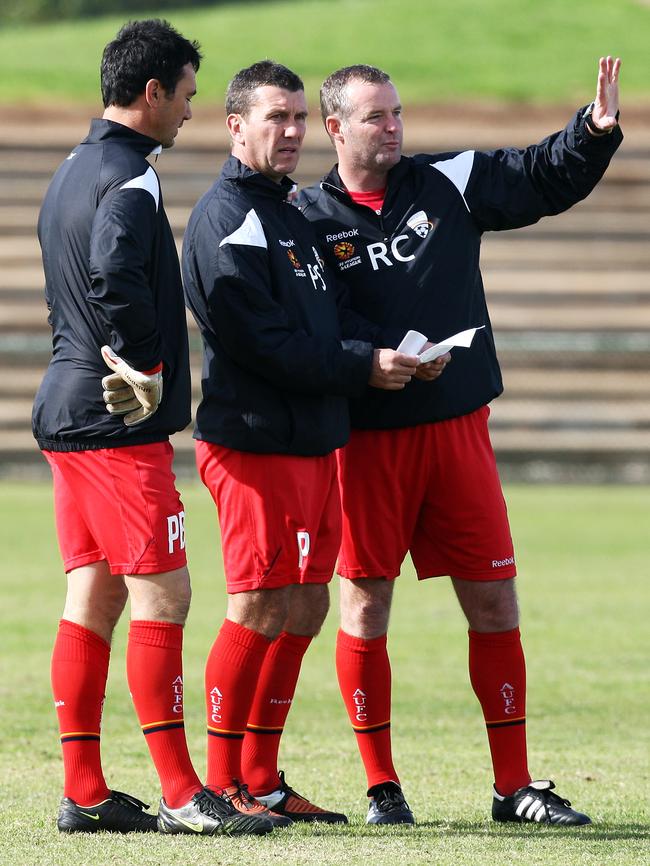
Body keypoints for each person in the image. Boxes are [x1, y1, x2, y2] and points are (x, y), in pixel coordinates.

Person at [296, 57, 622, 825]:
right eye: (376, 117)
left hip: (456, 432)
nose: (394, 126)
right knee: (365, 606)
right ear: (336, 127)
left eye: (397, 112)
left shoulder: (448, 181)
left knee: (495, 602)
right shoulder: (305, 219)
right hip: (367, 444)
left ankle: (515, 787)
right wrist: (364, 363)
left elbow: (540, 174)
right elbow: (292, 327)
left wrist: (595, 130)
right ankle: (383, 788)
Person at [34, 20, 272, 837]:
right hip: (111, 423)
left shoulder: (71, 168)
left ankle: (87, 792)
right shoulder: (131, 176)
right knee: (164, 592)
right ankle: (181, 792)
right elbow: (110, 272)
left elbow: (69, 281)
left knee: (93, 594)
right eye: (187, 97)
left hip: (67, 410)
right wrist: (140, 362)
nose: (190, 114)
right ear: (152, 93)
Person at [181, 60, 418, 828]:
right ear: (235, 126)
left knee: (308, 603)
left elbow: (322, 326)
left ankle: (262, 776)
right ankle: (224, 788)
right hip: (253, 442)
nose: (289, 133)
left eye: (297, 119)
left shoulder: (293, 213)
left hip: (314, 439)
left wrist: (388, 353)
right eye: (274, 118)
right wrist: (361, 366)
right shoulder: (226, 219)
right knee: (256, 603)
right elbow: (263, 344)